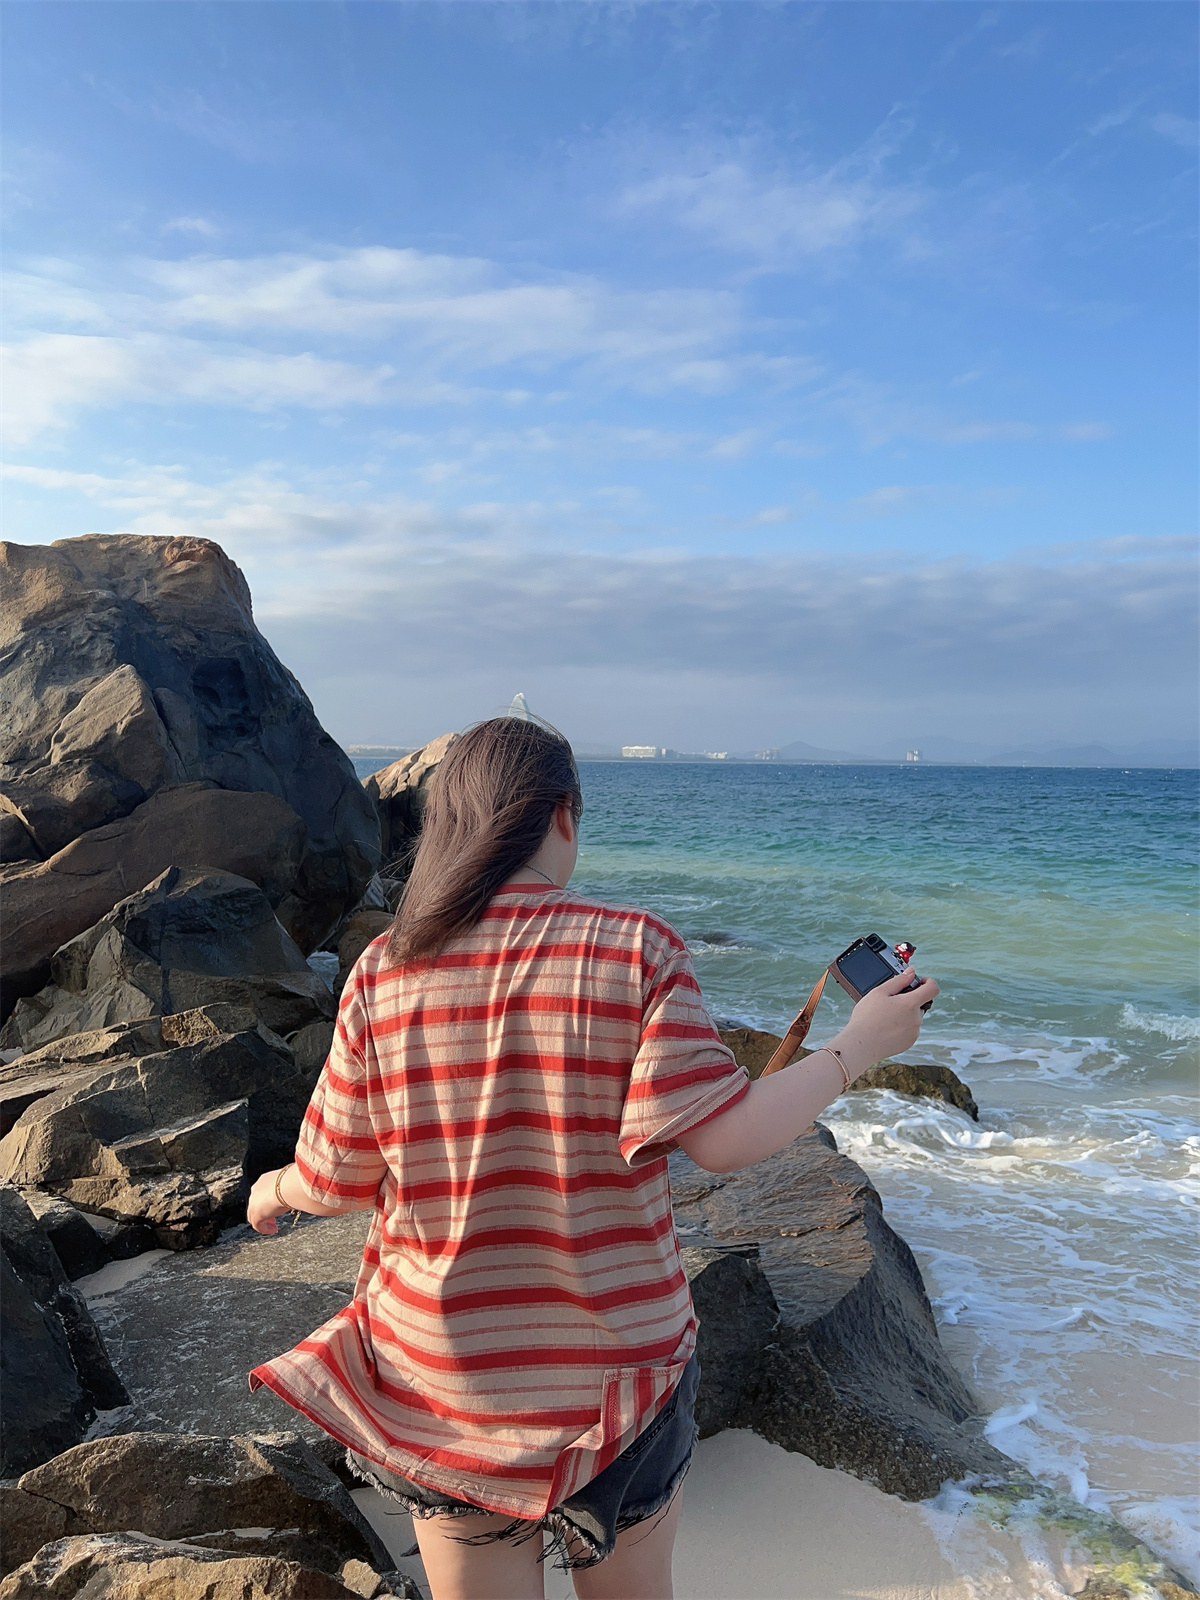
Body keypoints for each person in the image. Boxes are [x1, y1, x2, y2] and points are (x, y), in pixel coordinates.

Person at [247, 717, 937, 1600]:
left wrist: (271, 1188)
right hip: (618, 1378)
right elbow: (724, 1141)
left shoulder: (386, 967)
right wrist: (854, 1048)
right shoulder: (634, 947)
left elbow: (335, 1180)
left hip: (445, 1373)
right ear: (565, 816)